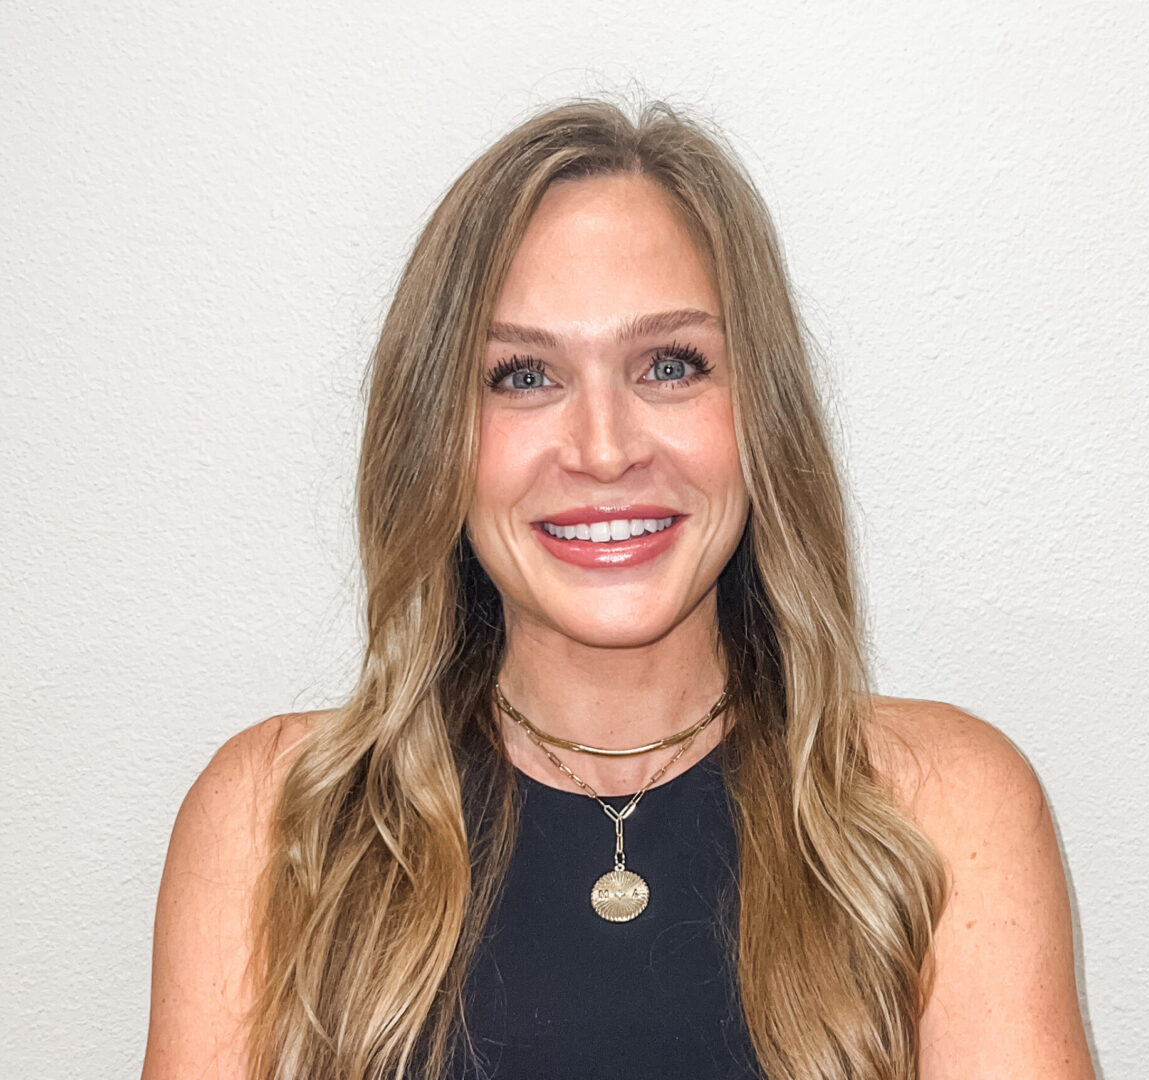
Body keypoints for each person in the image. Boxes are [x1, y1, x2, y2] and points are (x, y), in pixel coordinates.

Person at [141, 99, 1096, 1080]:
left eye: (670, 365)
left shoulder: (939, 808)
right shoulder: (279, 819)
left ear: (760, 418)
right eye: (522, 376)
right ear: (438, 439)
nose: (603, 449)